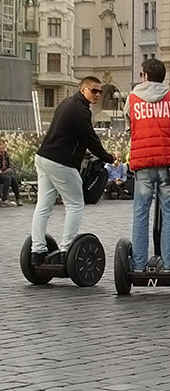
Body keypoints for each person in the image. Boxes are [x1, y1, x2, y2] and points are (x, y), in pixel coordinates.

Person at [29, 76, 117, 267]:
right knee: (75, 204)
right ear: (83, 89)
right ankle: (66, 250)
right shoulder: (81, 110)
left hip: (44, 157)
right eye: (94, 90)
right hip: (61, 162)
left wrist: (81, 153)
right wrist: (108, 157)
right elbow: (90, 138)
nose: (97, 94)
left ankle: (37, 251)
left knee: (43, 206)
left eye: (100, 91)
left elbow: (66, 135)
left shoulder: (66, 103)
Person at [126, 59, 170, 272]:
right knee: (169, 213)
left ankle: (137, 265)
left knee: (140, 212)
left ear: (144, 75)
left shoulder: (132, 99)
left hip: (143, 163)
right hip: (168, 164)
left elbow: (129, 130)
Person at [0, 138, 19, 205]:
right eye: (0, 145)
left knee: (12, 178)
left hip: (3, 173)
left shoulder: (5, 154)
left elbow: (8, 165)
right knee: (8, 178)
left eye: (2, 144)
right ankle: (4, 199)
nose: (2, 146)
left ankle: (18, 199)